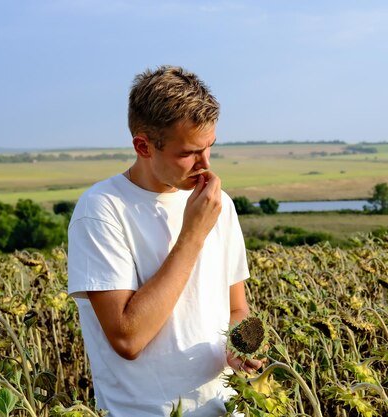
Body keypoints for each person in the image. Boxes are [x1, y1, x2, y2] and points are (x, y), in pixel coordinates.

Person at [67, 65, 262, 416]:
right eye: (188, 153)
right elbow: (128, 338)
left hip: (225, 408)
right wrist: (192, 235)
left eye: (210, 147)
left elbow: (236, 307)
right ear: (143, 145)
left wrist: (240, 344)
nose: (205, 164)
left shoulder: (221, 204)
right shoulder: (101, 211)